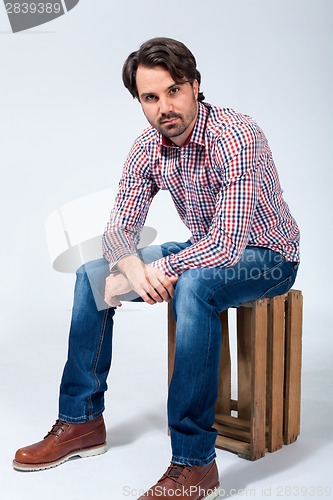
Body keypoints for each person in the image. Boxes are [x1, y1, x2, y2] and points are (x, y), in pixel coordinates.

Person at [13, 37, 300, 500]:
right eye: (150, 97)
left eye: (173, 91)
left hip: (267, 256)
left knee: (195, 285)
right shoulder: (150, 146)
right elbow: (118, 229)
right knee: (93, 274)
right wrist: (129, 264)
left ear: (194, 86)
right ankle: (82, 420)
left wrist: (161, 268)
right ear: (140, 102)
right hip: (204, 247)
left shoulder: (237, 135)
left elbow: (228, 245)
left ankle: (195, 465)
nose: (164, 107)